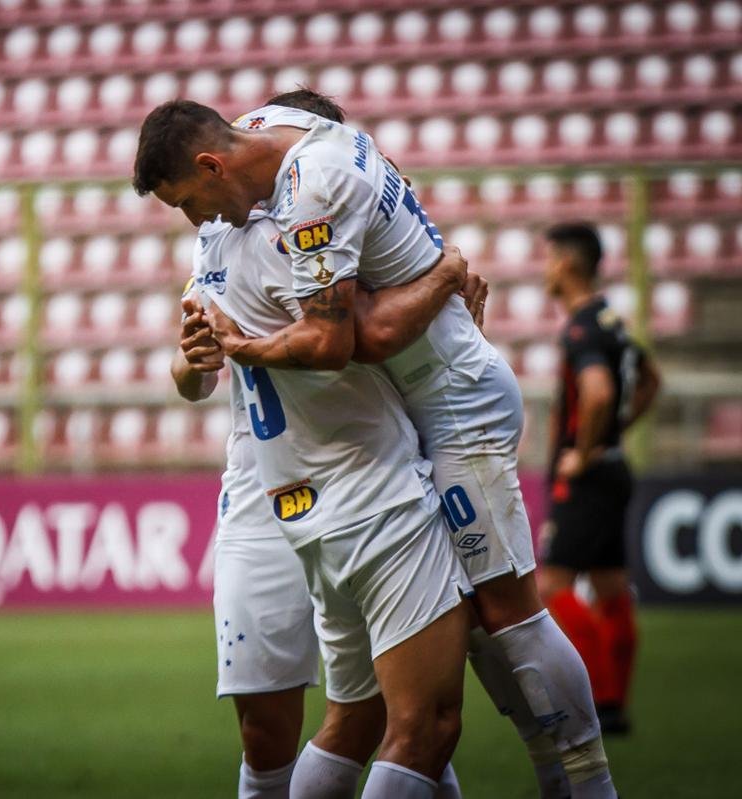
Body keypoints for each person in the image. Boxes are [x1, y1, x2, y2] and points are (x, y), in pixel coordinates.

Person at [135, 93, 618, 797]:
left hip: (454, 403)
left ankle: (579, 779)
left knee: (505, 618)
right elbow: (369, 177)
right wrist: (442, 268)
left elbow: (357, 338)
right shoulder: (280, 144)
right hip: (393, 429)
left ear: (213, 162)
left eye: (188, 200)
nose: (195, 219)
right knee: (433, 678)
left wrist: (438, 270)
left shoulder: (309, 183)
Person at [173, 239, 476, 798]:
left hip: (360, 476)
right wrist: (192, 363)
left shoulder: (329, 214)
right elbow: (191, 378)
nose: (192, 211)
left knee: (396, 710)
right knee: (265, 729)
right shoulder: (218, 235)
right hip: (257, 493)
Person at [538, 222, 661, 735]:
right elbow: (651, 381)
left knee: (551, 586)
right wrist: (613, 438)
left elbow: (599, 393)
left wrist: (583, 454)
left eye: (548, 259)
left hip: (590, 477)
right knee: (610, 587)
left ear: (566, 263)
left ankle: (593, 699)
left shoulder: (582, 327)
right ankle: (613, 706)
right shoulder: (612, 321)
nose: (544, 269)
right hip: (616, 469)